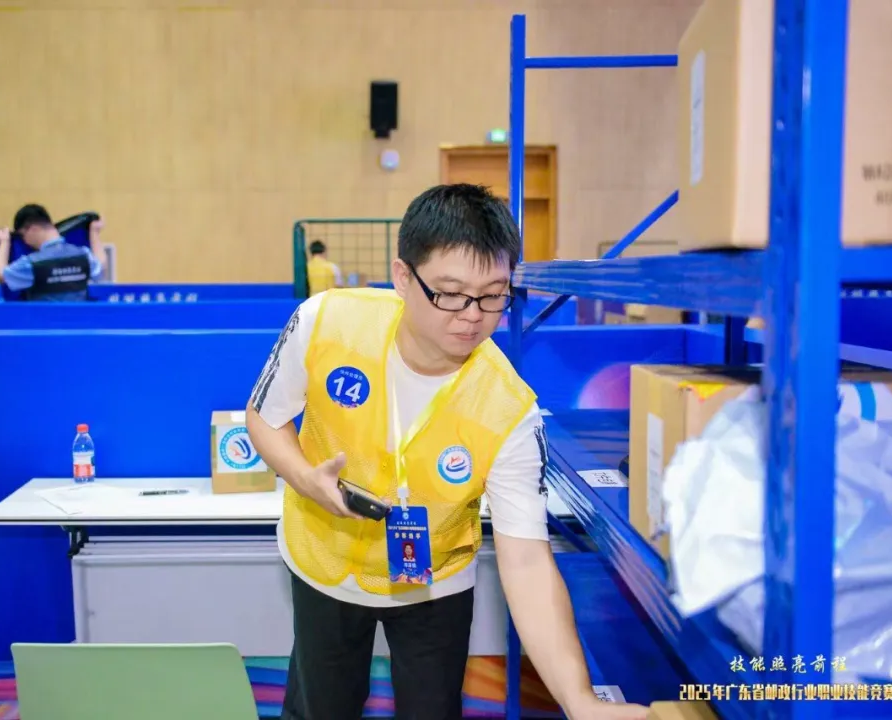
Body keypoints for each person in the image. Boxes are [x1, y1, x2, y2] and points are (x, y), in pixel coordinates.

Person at [246, 184, 649, 720]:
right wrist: (302, 477)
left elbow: (527, 561)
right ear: (402, 277)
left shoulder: (509, 410)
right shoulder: (326, 322)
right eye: (451, 293)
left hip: (436, 581)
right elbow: (264, 416)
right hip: (325, 561)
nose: (472, 316)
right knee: (322, 708)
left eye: (494, 295)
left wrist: (580, 700)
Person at [0, 204, 106, 301]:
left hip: (44, 321)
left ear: (32, 229)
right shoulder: (83, 255)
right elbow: (101, 265)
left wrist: (4, 242)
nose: (25, 241)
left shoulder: (32, 264)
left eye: (23, 236)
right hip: (80, 321)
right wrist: (94, 232)